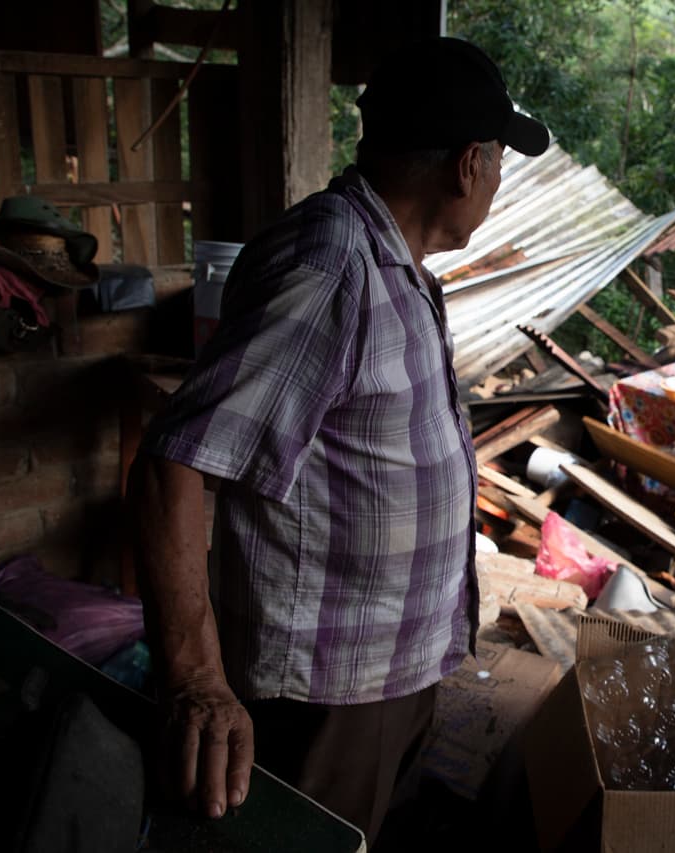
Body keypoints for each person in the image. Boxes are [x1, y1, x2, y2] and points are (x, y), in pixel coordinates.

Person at [128, 36, 549, 847]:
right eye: (498, 158)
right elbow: (175, 460)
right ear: (469, 165)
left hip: (384, 670)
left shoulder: (393, 260)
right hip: (328, 692)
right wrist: (196, 682)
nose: (497, 180)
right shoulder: (334, 268)